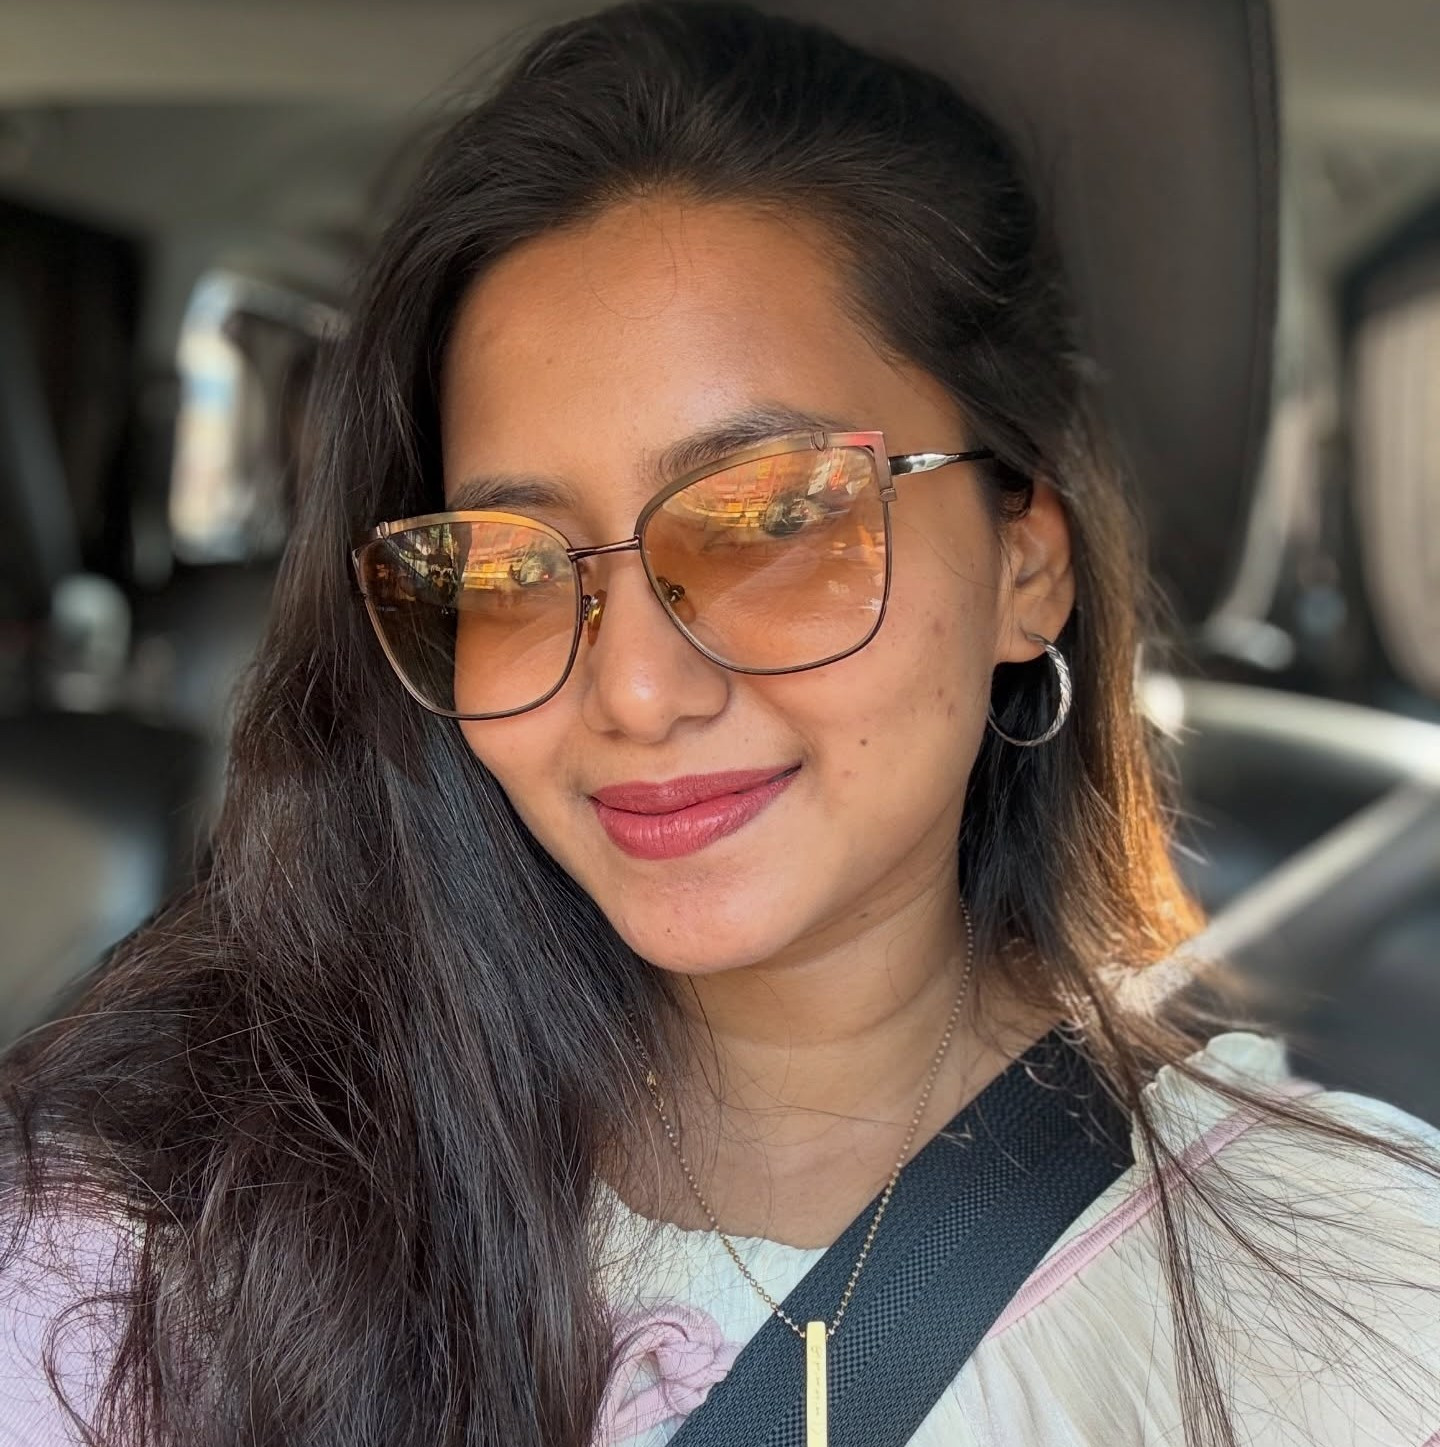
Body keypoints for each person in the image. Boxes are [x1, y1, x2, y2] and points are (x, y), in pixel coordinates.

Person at [2, 3, 1438, 1444]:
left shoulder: (1353, 1307)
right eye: (506, 569)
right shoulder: (145, 1240)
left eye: (773, 523)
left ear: (1026, 565)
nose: (635, 692)